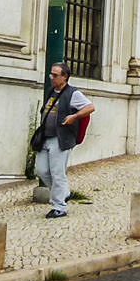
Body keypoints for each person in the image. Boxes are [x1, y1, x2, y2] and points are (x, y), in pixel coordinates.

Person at [32, 63, 94, 218]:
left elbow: (90, 107)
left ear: (64, 76)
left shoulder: (73, 93)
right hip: (46, 137)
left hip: (60, 139)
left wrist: (74, 116)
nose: (51, 78)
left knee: (57, 172)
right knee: (41, 170)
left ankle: (59, 206)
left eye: (55, 75)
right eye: (50, 74)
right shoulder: (51, 92)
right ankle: (64, 192)